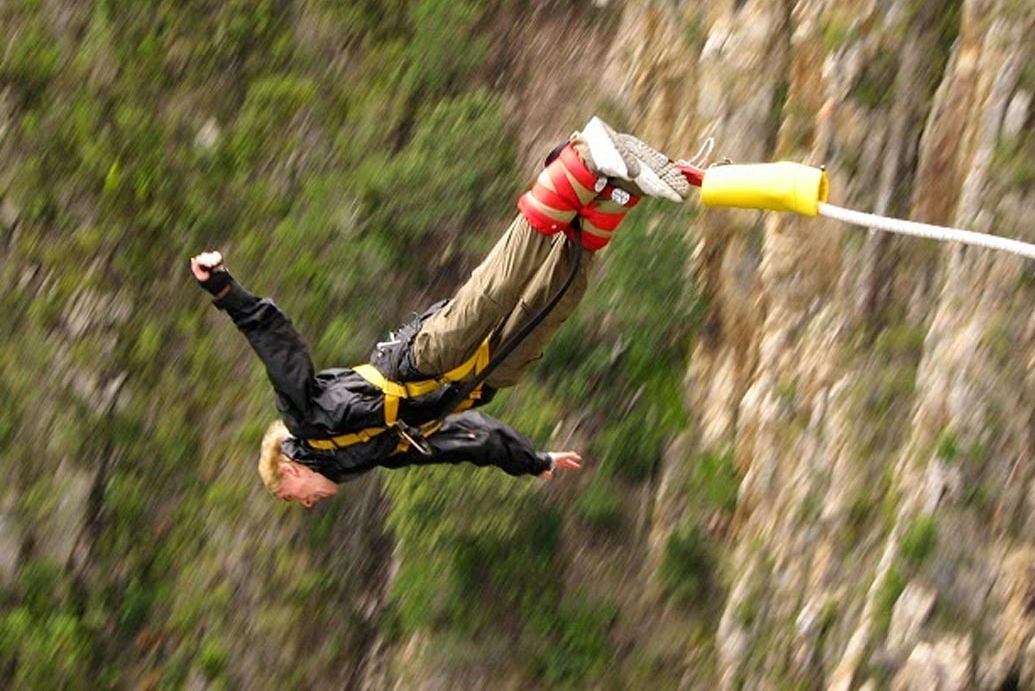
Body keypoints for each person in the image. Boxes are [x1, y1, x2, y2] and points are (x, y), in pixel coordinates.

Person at [191, 117, 690, 507]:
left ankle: (579, 163)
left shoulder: (305, 421)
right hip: (474, 382)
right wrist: (528, 460)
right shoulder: (374, 455)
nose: (302, 503)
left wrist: (224, 289)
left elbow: (279, 345)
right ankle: (609, 199)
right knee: (550, 306)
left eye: (289, 497)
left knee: (497, 288)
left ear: (289, 471)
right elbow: (463, 440)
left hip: (421, 359)